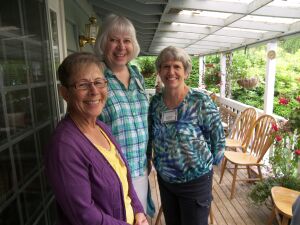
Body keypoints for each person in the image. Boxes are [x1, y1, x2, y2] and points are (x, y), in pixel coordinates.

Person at [45, 52, 148, 225]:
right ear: (64, 93)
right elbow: (84, 216)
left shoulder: (102, 127)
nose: (94, 91)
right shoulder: (64, 147)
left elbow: (126, 182)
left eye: (99, 82)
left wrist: (138, 210)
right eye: (83, 85)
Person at [147, 46, 225, 225]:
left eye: (177, 66)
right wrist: (149, 159)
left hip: (195, 182)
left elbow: (218, 138)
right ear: (159, 71)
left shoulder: (200, 101)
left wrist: (205, 166)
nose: (171, 71)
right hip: (166, 180)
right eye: (165, 66)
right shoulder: (156, 103)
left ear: (186, 72)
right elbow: (151, 134)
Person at [94, 14, 149, 211]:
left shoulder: (137, 76)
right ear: (103, 42)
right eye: (113, 40)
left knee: (140, 218)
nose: (121, 47)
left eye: (127, 40)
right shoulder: (97, 76)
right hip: (111, 174)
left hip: (140, 169)